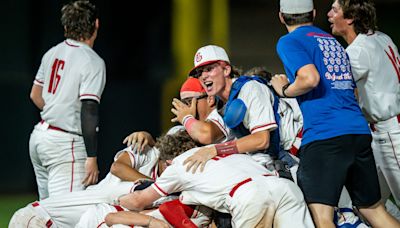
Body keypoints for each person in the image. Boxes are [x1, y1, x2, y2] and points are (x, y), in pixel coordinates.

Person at [270, 0, 400, 227]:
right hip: (359, 132)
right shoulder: (334, 40)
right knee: (374, 211)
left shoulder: (289, 41)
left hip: (327, 135)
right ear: (313, 12)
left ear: (281, 17)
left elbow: (310, 79)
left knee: (323, 218)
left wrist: (284, 89)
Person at [9, 130, 211, 228]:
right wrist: (156, 186)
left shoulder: (168, 184)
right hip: (38, 220)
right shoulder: (145, 155)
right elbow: (117, 167)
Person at [115, 144, 314, 227]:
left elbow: (139, 201)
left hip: (249, 195)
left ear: (168, 160)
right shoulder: (225, 153)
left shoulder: (177, 165)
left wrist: (118, 198)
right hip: (283, 187)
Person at [29, 0, 106, 199]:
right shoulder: (92, 60)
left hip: (40, 137)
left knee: (46, 212)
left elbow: (35, 95)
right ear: (96, 24)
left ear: (66, 27)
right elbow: (89, 109)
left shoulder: (51, 53)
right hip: (64, 144)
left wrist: (55, 113)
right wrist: (91, 156)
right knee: (68, 214)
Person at [327, 0, 400, 209]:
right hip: (385, 131)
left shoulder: (357, 51)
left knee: (372, 207)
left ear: (350, 18)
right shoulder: (381, 37)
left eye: (335, 10)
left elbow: (337, 89)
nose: (329, 15)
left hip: (390, 133)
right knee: (369, 207)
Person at [182, 45, 279, 173]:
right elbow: (206, 135)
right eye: (200, 73)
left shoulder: (250, 88)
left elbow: (262, 140)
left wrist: (216, 149)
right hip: (273, 158)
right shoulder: (221, 104)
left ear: (226, 70)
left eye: (209, 69)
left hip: (295, 152)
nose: (203, 76)